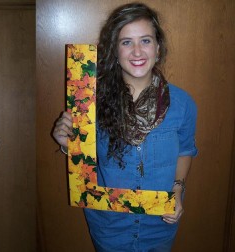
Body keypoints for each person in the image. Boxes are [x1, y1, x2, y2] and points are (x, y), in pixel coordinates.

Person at [51, 3, 197, 251]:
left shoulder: (182, 103)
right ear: (115, 51)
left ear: (158, 48)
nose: (137, 51)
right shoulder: (89, 103)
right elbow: (85, 165)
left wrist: (178, 190)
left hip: (159, 224)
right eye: (126, 42)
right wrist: (70, 145)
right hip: (109, 226)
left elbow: (185, 150)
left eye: (146, 41)